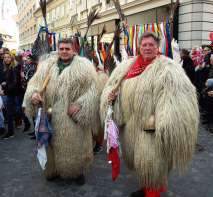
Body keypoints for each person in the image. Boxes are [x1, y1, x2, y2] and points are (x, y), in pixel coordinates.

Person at [100, 32, 199, 197]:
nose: (147, 48)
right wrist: (112, 98)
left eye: (150, 45)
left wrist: (161, 121)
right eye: (144, 45)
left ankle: (152, 192)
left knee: (153, 165)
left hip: (152, 130)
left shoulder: (167, 67)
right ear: (139, 47)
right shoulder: (128, 66)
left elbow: (175, 97)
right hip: (132, 128)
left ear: (157, 46)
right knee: (141, 164)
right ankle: (145, 188)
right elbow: (113, 86)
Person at [24, 38, 100, 184]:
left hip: (72, 116)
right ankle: (55, 169)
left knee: (76, 145)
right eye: (62, 49)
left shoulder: (84, 66)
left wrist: (80, 104)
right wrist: (34, 94)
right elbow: (34, 82)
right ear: (58, 50)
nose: (64, 51)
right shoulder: (48, 65)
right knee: (51, 144)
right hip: (50, 114)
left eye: (67, 49)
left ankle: (78, 171)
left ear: (73, 51)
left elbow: (94, 90)